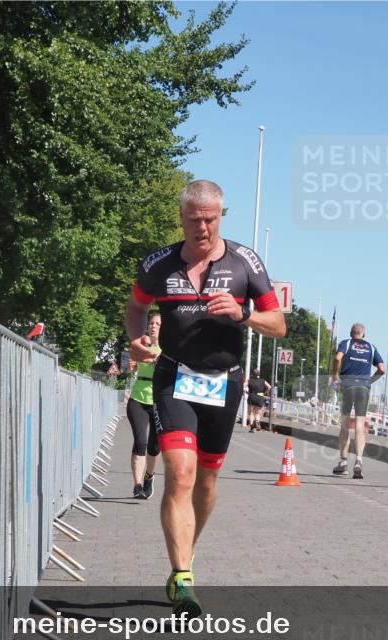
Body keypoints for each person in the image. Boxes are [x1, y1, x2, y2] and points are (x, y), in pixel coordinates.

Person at [125, 179, 286, 616]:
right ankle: (182, 578)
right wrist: (137, 340)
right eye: (194, 220)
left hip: (225, 381)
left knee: (208, 481)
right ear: (181, 219)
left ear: (221, 216)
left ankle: (185, 555)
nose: (203, 228)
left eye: (211, 219)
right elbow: (136, 306)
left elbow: (279, 324)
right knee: (180, 472)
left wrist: (245, 313)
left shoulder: (245, 263)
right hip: (174, 375)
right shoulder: (158, 265)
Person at [331, 323, 385, 479]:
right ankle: (359, 461)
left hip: (347, 386)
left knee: (345, 424)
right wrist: (370, 381)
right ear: (364, 334)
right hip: (363, 388)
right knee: (360, 425)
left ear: (351, 333)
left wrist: (335, 375)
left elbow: (337, 358)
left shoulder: (346, 343)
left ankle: (343, 462)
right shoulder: (371, 347)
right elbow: (382, 369)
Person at [126, 314, 162, 499]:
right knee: (140, 441)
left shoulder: (168, 349)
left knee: (154, 447)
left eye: (157, 324)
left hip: (158, 400)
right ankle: (138, 485)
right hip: (138, 398)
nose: (153, 326)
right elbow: (130, 363)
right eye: (151, 323)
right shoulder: (140, 344)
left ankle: (149, 476)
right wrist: (130, 364)